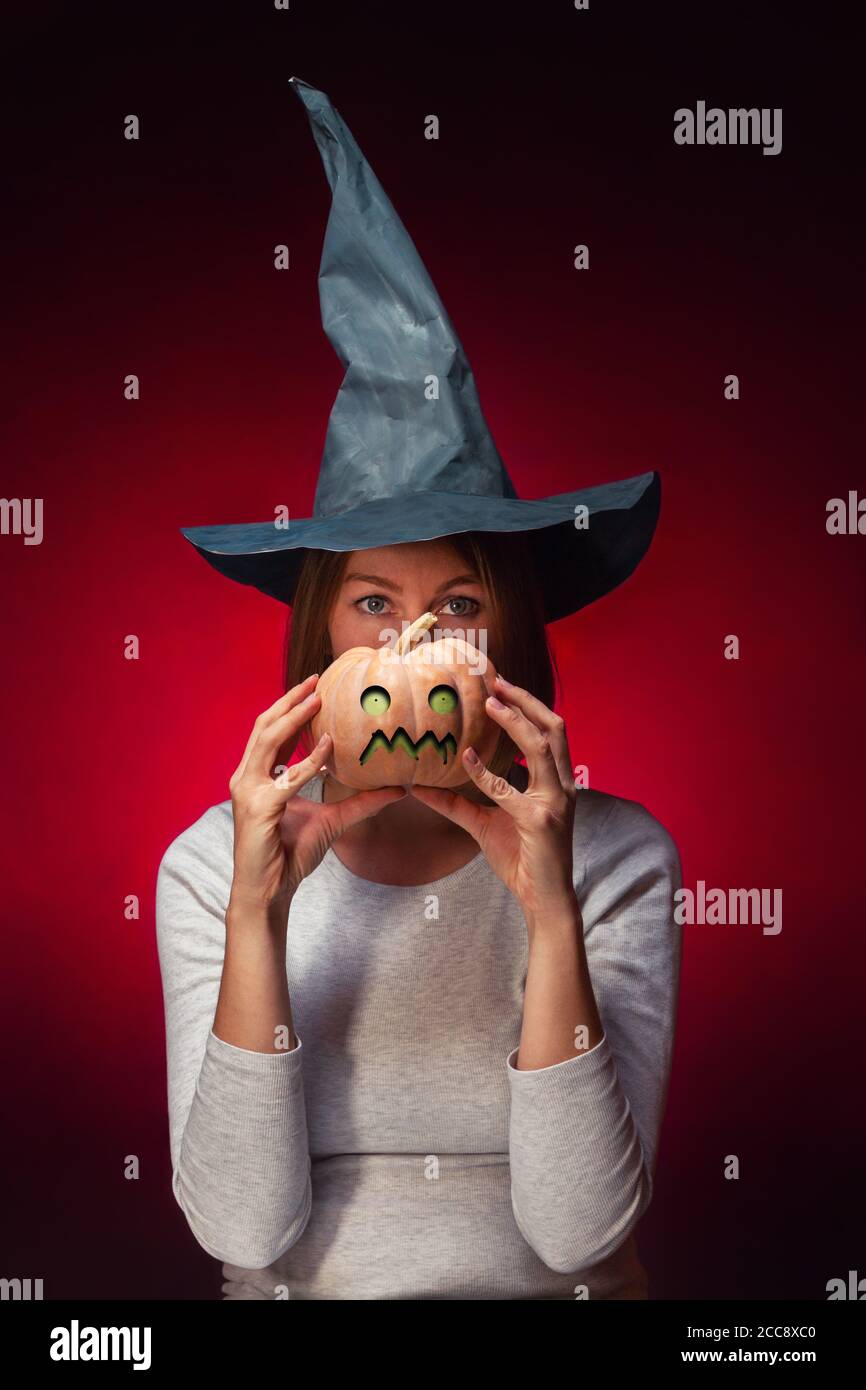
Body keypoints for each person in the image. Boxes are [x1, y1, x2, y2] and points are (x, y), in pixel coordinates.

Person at [155, 76, 681, 1300]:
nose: (409, 650)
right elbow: (238, 1226)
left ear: (502, 641)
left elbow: (579, 1236)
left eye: (453, 606)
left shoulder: (616, 858)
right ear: (323, 643)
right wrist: (257, 918)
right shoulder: (208, 865)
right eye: (373, 607)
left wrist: (549, 910)